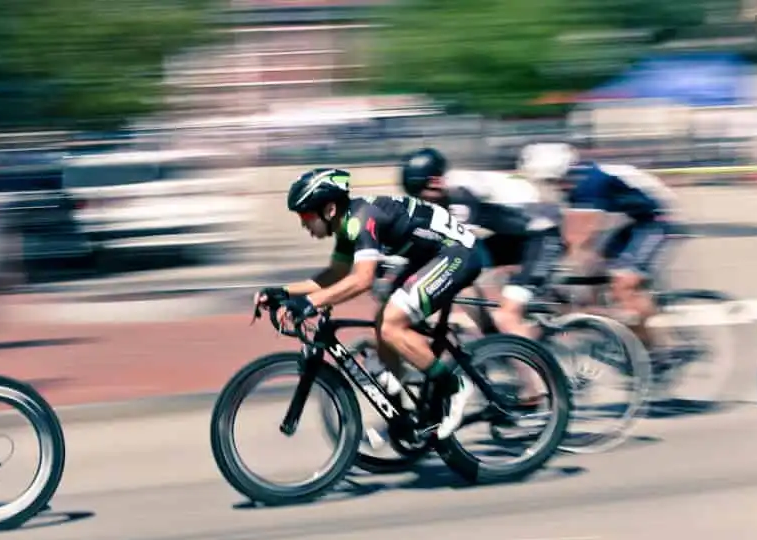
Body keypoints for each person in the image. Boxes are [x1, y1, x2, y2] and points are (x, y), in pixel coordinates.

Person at [255, 167, 482, 439]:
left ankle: (454, 386)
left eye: (305, 215)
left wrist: (309, 303)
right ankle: (401, 407)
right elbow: (334, 275)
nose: (304, 224)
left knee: (391, 324)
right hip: (428, 256)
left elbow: (362, 280)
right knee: (383, 322)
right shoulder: (346, 224)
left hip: (457, 253)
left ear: (328, 209)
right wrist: (284, 291)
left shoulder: (362, 219)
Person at [518, 142, 677, 353]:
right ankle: (611, 323)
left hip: (658, 220)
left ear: (564, 170)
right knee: (594, 269)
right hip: (637, 220)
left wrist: (559, 262)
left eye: (554, 180)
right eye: (549, 182)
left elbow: (582, 233)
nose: (554, 186)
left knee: (623, 280)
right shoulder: (575, 179)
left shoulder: (591, 182)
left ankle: (655, 348)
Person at [399, 147, 564, 349]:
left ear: (435, 181)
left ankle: (544, 377)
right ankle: (495, 340)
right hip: (516, 236)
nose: (420, 200)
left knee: (506, 317)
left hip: (542, 238)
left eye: (420, 192)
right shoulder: (444, 188)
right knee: (462, 286)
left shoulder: (459, 192)